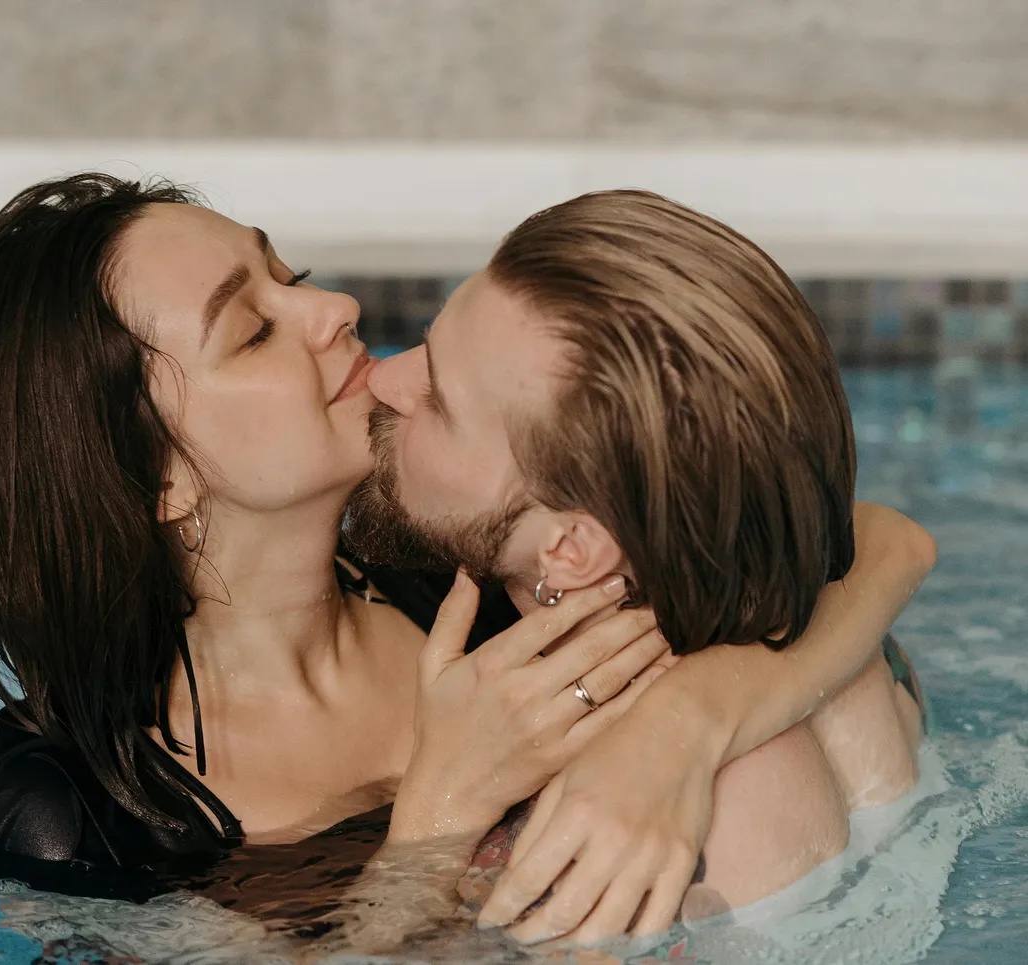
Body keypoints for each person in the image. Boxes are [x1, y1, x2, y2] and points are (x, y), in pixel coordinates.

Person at [0, 174, 935, 941]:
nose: (333, 310)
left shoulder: (450, 572)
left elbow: (871, 542)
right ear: (158, 477)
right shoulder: (60, 812)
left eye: (287, 274)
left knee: (796, 730)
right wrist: (438, 813)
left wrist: (689, 715)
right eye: (252, 330)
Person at [347, 188, 928, 942]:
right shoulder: (843, 642)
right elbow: (892, 538)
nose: (387, 379)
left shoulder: (644, 833)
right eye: (429, 340)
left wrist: (433, 825)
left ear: (571, 549)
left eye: (441, 403)